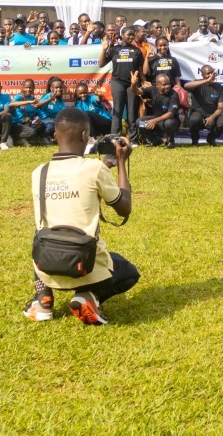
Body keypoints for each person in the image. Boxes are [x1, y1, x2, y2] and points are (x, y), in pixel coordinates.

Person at [24, 109, 138, 326]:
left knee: (45, 232)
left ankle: (42, 300)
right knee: (128, 271)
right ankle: (87, 296)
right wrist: (121, 162)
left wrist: (105, 166)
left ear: (55, 136)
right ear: (86, 136)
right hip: (83, 264)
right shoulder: (93, 169)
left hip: (46, 264)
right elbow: (124, 208)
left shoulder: (39, 172)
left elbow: (74, 180)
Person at [102, 27, 143, 135]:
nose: (131, 37)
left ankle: (132, 138)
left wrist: (142, 82)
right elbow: (101, 64)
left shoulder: (136, 50)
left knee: (132, 111)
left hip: (132, 84)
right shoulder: (114, 49)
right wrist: (104, 49)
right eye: (129, 34)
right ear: (122, 35)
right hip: (117, 82)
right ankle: (115, 136)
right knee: (117, 111)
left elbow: (140, 69)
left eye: (133, 35)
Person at [182, 65, 223, 146]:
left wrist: (212, 117)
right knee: (194, 120)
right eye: (208, 73)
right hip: (198, 114)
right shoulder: (197, 83)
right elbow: (186, 86)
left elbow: (221, 108)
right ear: (202, 75)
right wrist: (206, 80)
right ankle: (195, 141)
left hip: (213, 115)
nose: (211, 75)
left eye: (212, 72)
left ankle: (211, 138)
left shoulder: (219, 87)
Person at [136, 79, 181, 148]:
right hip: (157, 121)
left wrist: (155, 121)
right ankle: (155, 140)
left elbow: (170, 114)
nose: (167, 86)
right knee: (140, 122)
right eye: (164, 85)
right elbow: (137, 91)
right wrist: (133, 84)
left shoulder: (174, 94)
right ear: (157, 85)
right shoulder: (152, 89)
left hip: (170, 121)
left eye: (168, 84)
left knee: (169, 123)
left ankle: (171, 141)